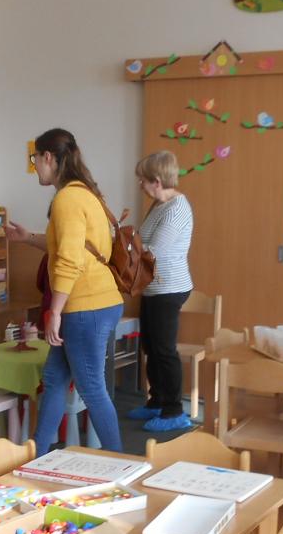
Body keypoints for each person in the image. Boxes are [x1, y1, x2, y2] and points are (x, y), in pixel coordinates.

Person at [19, 128, 124, 455]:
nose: (35, 165)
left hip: (84, 307)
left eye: (35, 158)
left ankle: (122, 463)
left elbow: (69, 259)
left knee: (91, 388)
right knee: (54, 379)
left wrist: (55, 312)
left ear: (48, 157)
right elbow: (67, 246)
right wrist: (27, 237)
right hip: (99, 301)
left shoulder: (66, 199)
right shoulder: (86, 193)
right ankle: (38, 456)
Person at [127, 150, 195, 432]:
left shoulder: (177, 208)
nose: (140, 185)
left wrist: (125, 247)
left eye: (143, 180)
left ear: (156, 181)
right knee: (151, 347)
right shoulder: (158, 205)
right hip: (153, 288)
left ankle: (174, 411)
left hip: (170, 288)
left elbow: (155, 250)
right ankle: (156, 401)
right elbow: (142, 241)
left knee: (164, 350)